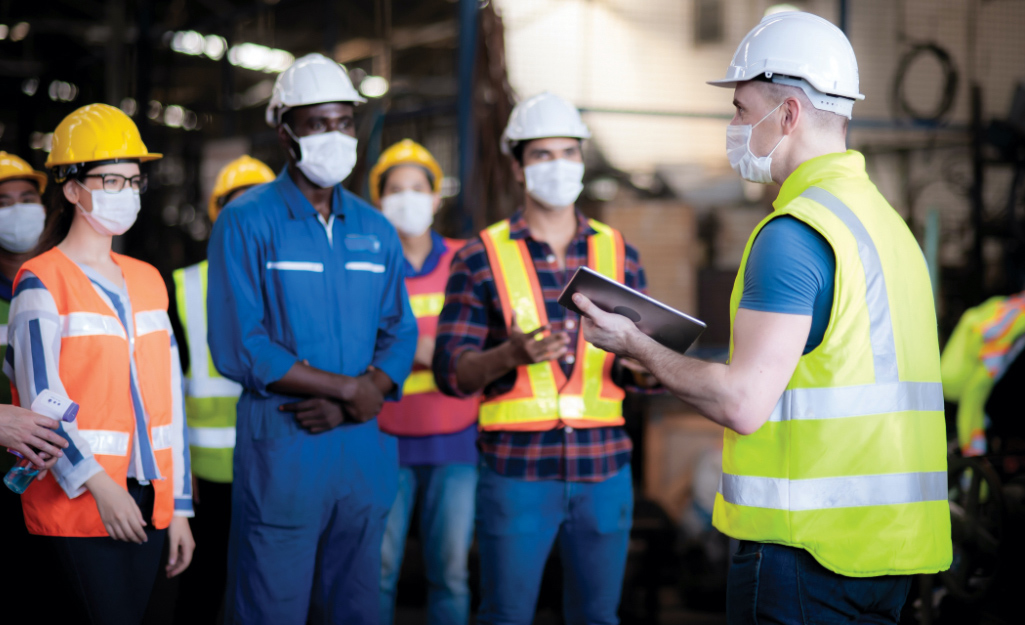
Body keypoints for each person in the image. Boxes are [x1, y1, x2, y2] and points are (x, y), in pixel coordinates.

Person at [570, 12, 952, 624]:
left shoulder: (795, 232)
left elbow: (743, 402)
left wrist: (636, 345)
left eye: (742, 110)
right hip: (892, 556)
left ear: (790, 114)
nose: (734, 126)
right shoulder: (888, 228)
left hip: (806, 557)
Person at [206, 53, 417, 625]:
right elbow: (240, 345)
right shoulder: (246, 222)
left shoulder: (375, 230)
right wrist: (353, 391)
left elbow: (401, 328)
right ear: (285, 132)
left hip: (361, 451)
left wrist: (364, 391)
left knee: (356, 608)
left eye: (344, 122)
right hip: (286, 448)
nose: (335, 135)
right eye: (318, 123)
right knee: (272, 609)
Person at [433, 91, 654, 625]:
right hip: (516, 473)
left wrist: (649, 365)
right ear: (516, 167)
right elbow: (452, 373)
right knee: (505, 616)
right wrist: (510, 353)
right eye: (542, 155)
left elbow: (639, 368)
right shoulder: (479, 256)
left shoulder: (619, 253)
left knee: (598, 618)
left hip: (604, 472)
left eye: (569, 153)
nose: (558, 166)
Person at [5, 103, 194, 624]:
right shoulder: (41, 280)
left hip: (150, 501)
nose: (126, 192)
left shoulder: (149, 278)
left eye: (134, 180)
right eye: (110, 179)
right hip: (82, 500)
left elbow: (169, 401)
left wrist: (178, 507)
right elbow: (43, 402)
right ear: (71, 188)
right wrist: (100, 486)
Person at [371, 140, 479, 625]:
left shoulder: (466, 260)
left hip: (456, 442)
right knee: (377, 572)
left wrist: (411, 349)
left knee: (451, 574)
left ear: (437, 199)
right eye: (396, 190)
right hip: (381, 441)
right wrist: (430, 352)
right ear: (379, 201)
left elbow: (479, 346)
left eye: (418, 188)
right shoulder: (365, 267)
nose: (407, 198)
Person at [171, 155, 275, 624]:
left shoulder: (293, 279)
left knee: (270, 584)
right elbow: (165, 390)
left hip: (280, 462)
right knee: (204, 582)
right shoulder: (184, 286)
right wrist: (179, 470)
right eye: (237, 206)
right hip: (207, 473)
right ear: (219, 217)